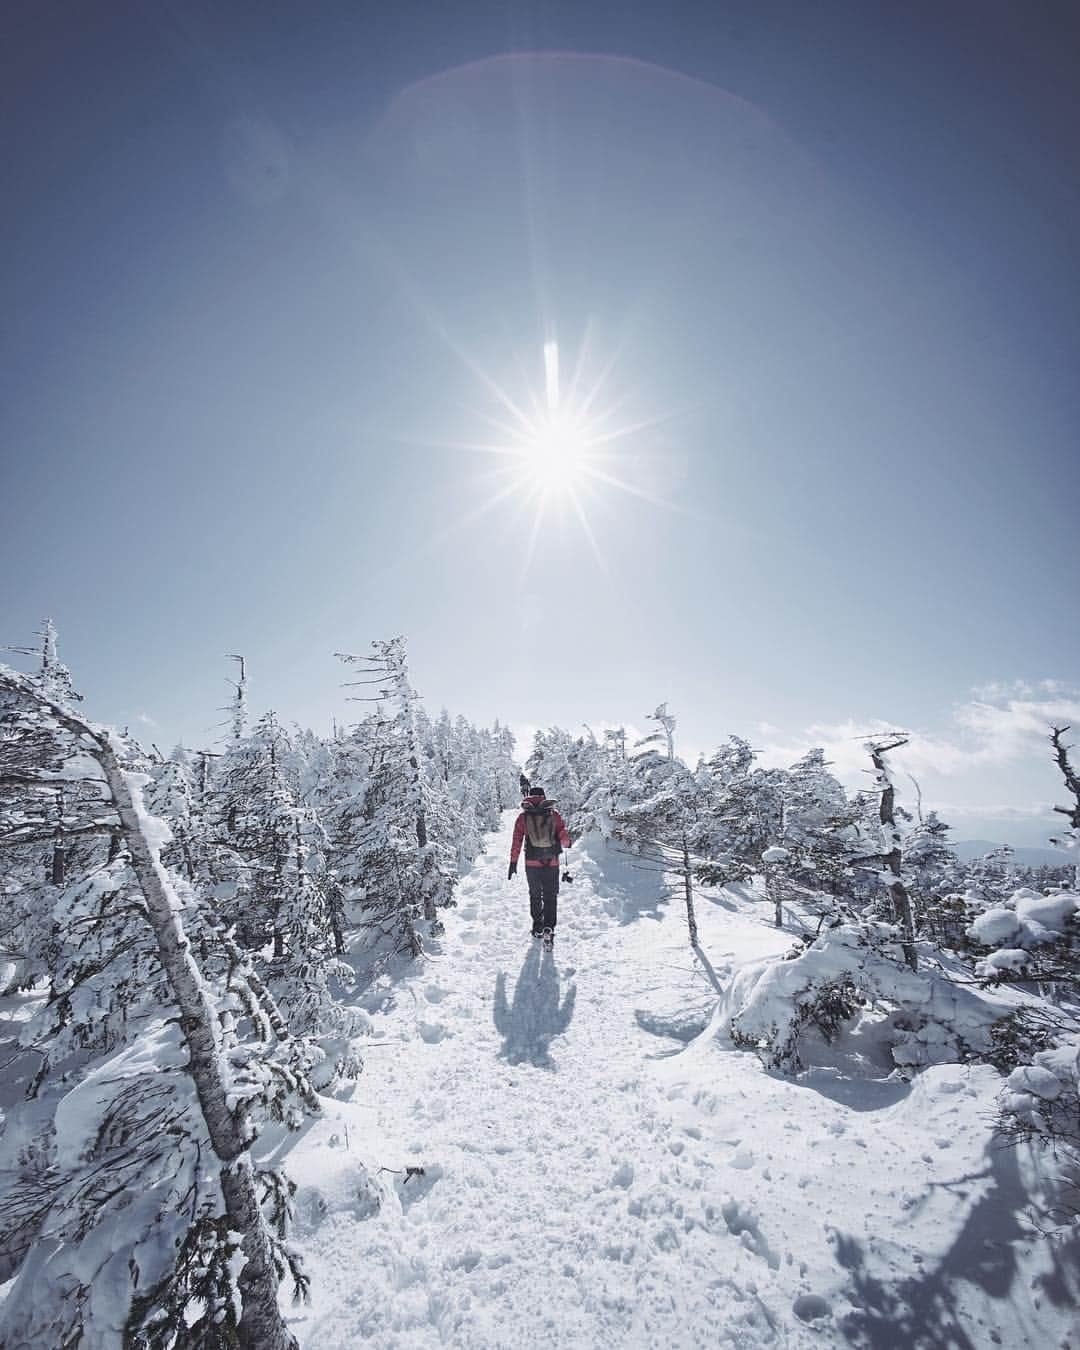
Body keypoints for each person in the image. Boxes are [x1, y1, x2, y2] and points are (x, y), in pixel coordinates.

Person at [507, 785, 570, 939]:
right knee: (550, 896)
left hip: (531, 864)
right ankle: (549, 927)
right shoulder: (553, 814)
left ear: (529, 796)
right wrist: (567, 842)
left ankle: (538, 927)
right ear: (543, 796)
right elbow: (563, 835)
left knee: (535, 895)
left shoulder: (523, 817)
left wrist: (513, 862)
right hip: (552, 862)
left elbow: (517, 841)